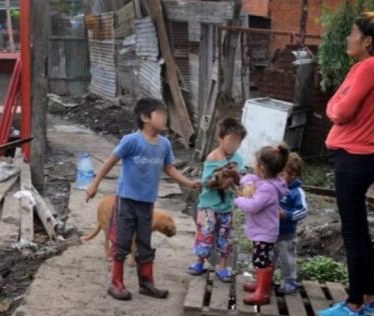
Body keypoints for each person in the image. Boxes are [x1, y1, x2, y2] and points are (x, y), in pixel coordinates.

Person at [317, 4, 374, 316]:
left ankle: (354, 305)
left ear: (366, 40)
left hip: (353, 160)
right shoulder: (364, 66)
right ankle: (367, 297)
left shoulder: (370, 67)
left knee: (352, 234)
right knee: (359, 231)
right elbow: (333, 101)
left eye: (352, 33)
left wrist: (335, 110)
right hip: (353, 159)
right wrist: (335, 107)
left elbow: (340, 110)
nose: (347, 38)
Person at [86, 98, 201, 301]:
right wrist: (94, 184)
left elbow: (169, 168)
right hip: (127, 201)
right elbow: (110, 162)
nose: (165, 118)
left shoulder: (164, 144)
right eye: (161, 115)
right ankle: (117, 283)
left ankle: (147, 283)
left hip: (147, 203)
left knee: (144, 244)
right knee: (122, 242)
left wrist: (188, 182)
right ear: (145, 117)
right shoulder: (131, 140)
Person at [188, 117, 247, 282]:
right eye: (231, 140)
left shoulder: (238, 159)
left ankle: (222, 266)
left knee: (226, 236)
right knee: (205, 233)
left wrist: (235, 175)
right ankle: (200, 262)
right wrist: (218, 181)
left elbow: (240, 181)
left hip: (227, 206)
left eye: (238, 142)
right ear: (220, 138)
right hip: (209, 206)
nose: (234, 145)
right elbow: (206, 182)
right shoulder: (212, 158)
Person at [234, 144, 289, 305]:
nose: (253, 166)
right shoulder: (271, 181)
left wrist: (237, 200)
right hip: (264, 230)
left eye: (255, 163)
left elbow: (253, 206)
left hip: (264, 231)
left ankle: (262, 293)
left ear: (262, 167)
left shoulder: (267, 189)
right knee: (262, 258)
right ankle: (260, 286)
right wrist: (247, 180)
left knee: (260, 260)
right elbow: (251, 178)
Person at [274, 153, 308, 295]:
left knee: (286, 258)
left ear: (293, 174)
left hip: (286, 234)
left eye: (282, 174)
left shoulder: (296, 192)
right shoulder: (275, 187)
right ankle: (264, 279)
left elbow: (303, 211)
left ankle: (290, 281)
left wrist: (286, 215)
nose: (278, 177)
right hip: (271, 232)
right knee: (269, 257)